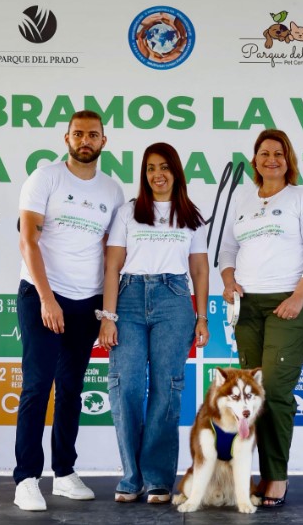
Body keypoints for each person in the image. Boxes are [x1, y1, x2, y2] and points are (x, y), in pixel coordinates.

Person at [13, 110, 125, 512]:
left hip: (86, 303)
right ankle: (26, 478)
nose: (85, 140)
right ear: (66, 138)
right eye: (78, 134)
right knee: (37, 387)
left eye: (92, 134)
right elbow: (28, 240)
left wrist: (105, 309)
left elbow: (112, 254)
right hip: (43, 296)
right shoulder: (45, 178)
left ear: (103, 141)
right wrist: (46, 298)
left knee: (71, 390)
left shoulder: (113, 191)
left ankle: (63, 473)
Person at [218, 129, 303, 508]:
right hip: (247, 307)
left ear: (289, 159)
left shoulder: (302, 199)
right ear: (255, 161)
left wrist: (300, 295)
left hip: (288, 303)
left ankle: (276, 478)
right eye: (264, 153)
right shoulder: (243, 198)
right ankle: (259, 473)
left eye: (278, 154)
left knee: (277, 393)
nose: (271, 159)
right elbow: (228, 248)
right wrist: (229, 279)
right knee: (253, 396)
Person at [98, 142, 210, 504]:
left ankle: (159, 479)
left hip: (174, 300)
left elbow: (199, 269)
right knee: (125, 385)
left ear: (176, 172)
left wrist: (202, 316)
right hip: (128, 300)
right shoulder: (129, 212)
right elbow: (113, 266)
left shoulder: (191, 215)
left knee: (167, 389)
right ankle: (131, 477)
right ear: (144, 175)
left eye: (164, 167)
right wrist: (108, 317)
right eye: (150, 168)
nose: (157, 174)